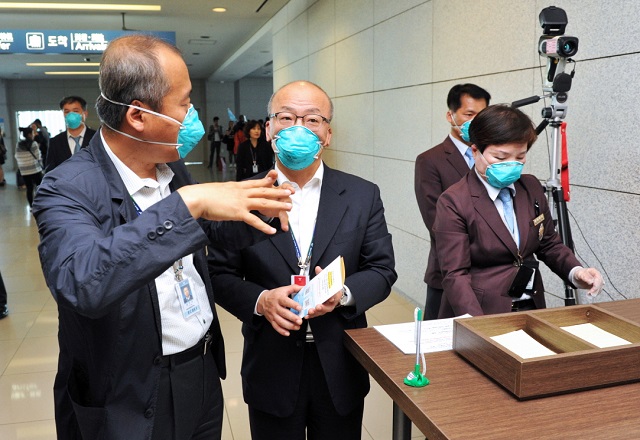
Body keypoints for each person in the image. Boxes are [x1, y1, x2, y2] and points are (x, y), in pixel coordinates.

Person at [33, 34, 294, 440]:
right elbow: (83, 281)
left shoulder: (170, 168)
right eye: (185, 102)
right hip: (127, 393)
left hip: (200, 372)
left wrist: (253, 209)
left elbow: (205, 237)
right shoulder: (65, 187)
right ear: (138, 115)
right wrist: (187, 205)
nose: (193, 114)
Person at [209, 80, 397, 440]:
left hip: (340, 360)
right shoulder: (237, 198)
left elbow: (382, 269)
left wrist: (343, 294)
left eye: (312, 119)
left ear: (327, 134)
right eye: (286, 117)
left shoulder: (361, 195)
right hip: (271, 362)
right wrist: (261, 301)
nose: (298, 128)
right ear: (268, 129)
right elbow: (218, 274)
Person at [433, 105, 604, 318]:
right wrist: (477, 324)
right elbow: (455, 274)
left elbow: (549, 243)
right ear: (476, 151)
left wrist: (577, 272)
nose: (511, 165)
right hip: (482, 311)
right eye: (501, 158)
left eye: (520, 157)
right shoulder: (454, 201)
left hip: (530, 305)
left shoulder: (530, 187)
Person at [415, 83, 491, 320]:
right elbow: (435, 221)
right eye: (469, 114)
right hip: (448, 270)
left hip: (492, 276)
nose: (475, 121)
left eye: (481, 115)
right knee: (438, 346)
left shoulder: (493, 159)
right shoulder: (430, 160)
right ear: (451, 115)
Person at [45, 95, 96, 172]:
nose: (71, 115)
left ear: (85, 114)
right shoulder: (55, 142)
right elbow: (50, 170)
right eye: (67, 112)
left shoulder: (97, 138)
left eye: (75, 111)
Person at [14, 127, 43, 208]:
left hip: (24, 171)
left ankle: (31, 206)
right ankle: (41, 204)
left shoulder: (18, 144)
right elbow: (38, 156)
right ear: (30, 134)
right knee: (39, 188)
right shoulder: (34, 144)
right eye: (33, 133)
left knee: (29, 189)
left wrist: (24, 163)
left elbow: (16, 156)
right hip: (35, 170)